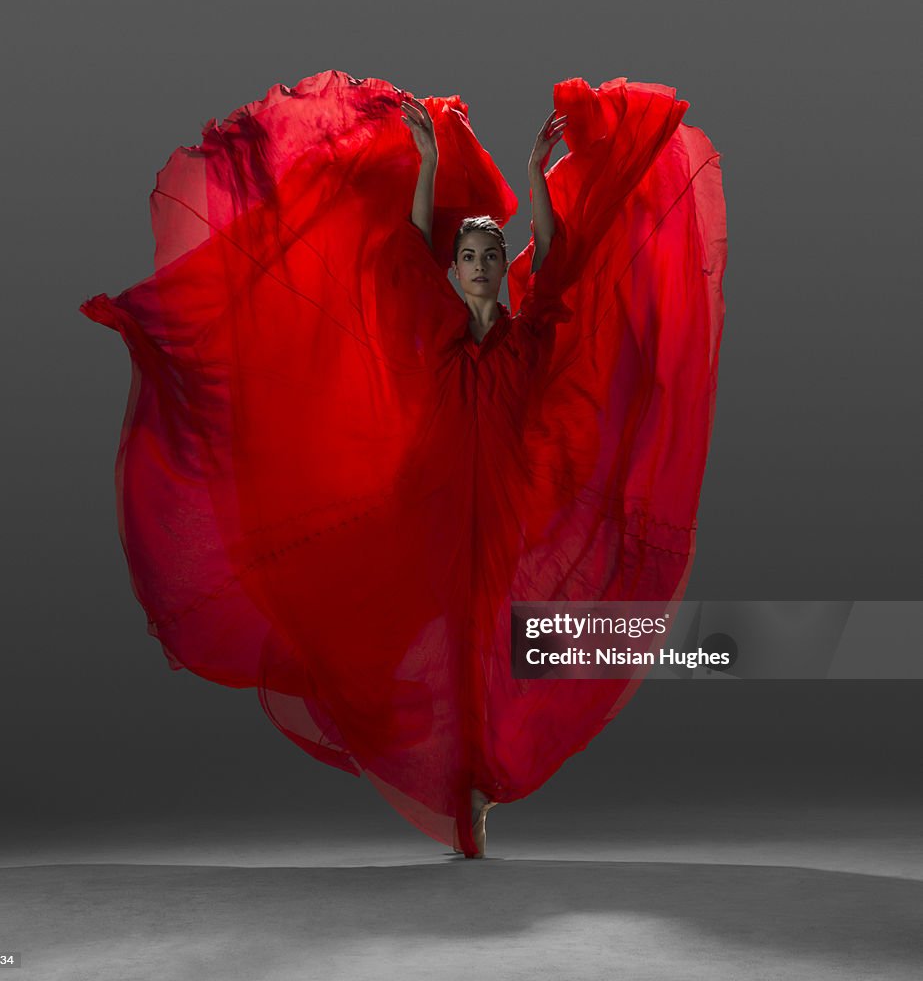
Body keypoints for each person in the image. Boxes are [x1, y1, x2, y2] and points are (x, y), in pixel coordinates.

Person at [80, 70, 726, 859]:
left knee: (496, 648)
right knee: (433, 648)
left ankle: (475, 797)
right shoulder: (437, 328)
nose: (485, 265)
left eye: (493, 254)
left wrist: (533, 180)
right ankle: (458, 798)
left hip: (509, 512)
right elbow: (415, 247)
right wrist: (425, 162)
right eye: (474, 256)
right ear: (458, 270)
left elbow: (557, 260)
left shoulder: (529, 335)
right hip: (430, 505)